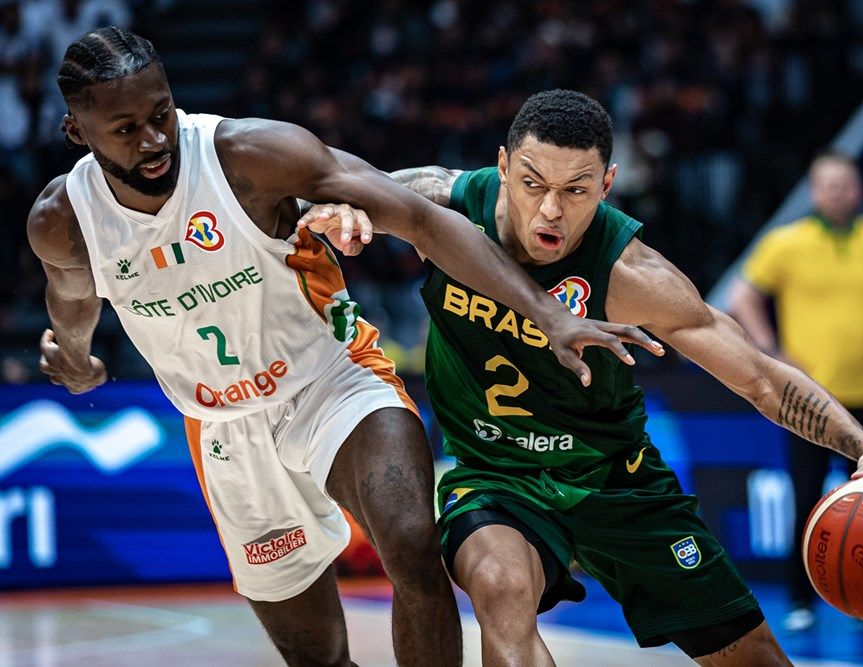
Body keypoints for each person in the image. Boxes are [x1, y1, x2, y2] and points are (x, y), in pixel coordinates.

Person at [27, 30, 661, 667]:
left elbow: (421, 216)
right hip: (226, 427)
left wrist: (547, 312)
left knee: (414, 546)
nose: (154, 140)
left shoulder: (249, 155)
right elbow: (74, 300)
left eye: (161, 113)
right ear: (78, 131)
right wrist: (78, 361)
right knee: (318, 657)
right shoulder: (64, 221)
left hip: (334, 376)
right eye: (126, 128)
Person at [300, 90, 863, 666]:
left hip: (618, 481)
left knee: (755, 656)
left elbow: (760, 379)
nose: (550, 210)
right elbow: (365, 182)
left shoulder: (634, 275)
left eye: (576, 189)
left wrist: (861, 445)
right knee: (500, 590)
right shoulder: (451, 209)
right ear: (502, 168)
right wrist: (345, 209)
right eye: (532, 184)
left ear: (608, 184)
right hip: (498, 476)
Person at [728, 150, 863, 632]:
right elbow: (742, 296)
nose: (837, 192)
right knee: (807, 499)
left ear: (858, 188)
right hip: (808, 403)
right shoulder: (787, 243)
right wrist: (770, 349)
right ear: (814, 191)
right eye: (828, 184)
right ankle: (802, 600)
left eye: (845, 183)